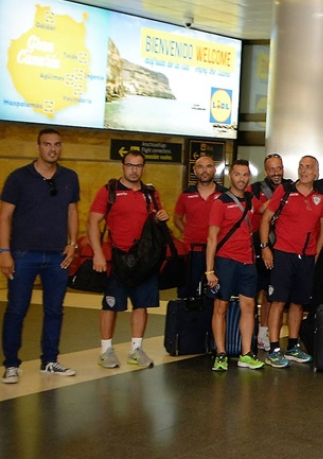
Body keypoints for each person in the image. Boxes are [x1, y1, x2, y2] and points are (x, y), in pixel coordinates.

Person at [1, 128, 80, 382]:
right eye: (47, 144)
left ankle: (50, 360)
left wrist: (72, 244)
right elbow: (4, 217)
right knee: (16, 309)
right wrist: (4, 252)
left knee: (55, 310)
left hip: (57, 255)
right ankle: (11, 364)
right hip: (23, 254)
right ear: (38, 147)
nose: (53, 149)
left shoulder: (69, 177)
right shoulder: (19, 177)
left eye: (57, 144)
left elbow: (72, 212)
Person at [87, 150, 170, 370]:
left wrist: (162, 217)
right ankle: (106, 351)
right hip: (118, 259)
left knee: (141, 305)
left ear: (144, 167)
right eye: (130, 165)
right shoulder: (109, 191)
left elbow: (156, 221)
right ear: (123, 166)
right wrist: (97, 253)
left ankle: (136, 349)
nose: (134, 170)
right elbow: (93, 222)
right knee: (110, 306)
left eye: (139, 165)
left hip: (145, 260)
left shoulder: (151, 193)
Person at [258, 155, 323, 368]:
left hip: (307, 257)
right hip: (283, 254)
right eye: (301, 166)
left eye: (309, 167)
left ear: (317, 173)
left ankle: (293, 346)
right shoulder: (285, 191)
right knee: (278, 301)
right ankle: (274, 349)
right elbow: (265, 220)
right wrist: (265, 248)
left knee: (299, 303)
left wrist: (316, 253)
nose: (304, 170)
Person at [205, 160, 264, 372]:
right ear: (231, 175)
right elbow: (212, 238)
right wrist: (210, 270)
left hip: (247, 262)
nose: (242, 178)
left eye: (245, 175)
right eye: (238, 174)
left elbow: (266, 210)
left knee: (248, 307)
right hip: (225, 261)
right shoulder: (220, 202)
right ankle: (220, 353)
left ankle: (246, 354)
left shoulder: (251, 199)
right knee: (221, 307)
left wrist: (285, 191)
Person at [249, 152, 288, 350]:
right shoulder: (256, 188)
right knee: (253, 291)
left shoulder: (291, 186)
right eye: (272, 169)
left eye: (279, 168)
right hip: (259, 245)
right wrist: (278, 200)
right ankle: (250, 333)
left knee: (271, 294)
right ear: (266, 170)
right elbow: (258, 209)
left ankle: (264, 333)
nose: (276, 172)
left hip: (282, 247)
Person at [172, 154, 224, 296]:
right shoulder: (186, 194)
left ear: (214, 170)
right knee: (188, 292)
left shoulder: (225, 195)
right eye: (200, 167)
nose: (205, 171)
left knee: (216, 294)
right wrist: (189, 231)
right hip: (192, 251)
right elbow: (177, 219)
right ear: (195, 171)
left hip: (218, 251)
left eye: (208, 166)